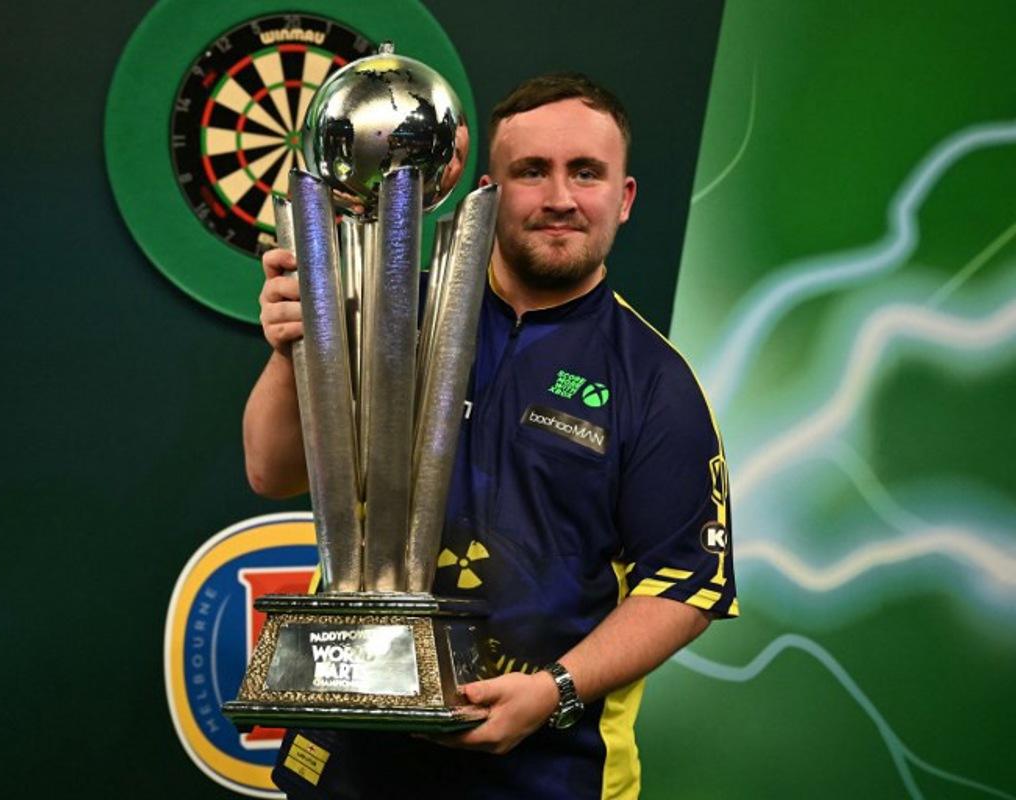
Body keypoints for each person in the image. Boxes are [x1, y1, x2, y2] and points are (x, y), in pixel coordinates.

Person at [243, 73, 738, 800]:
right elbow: (271, 469)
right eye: (532, 171)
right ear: (487, 191)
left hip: (546, 777)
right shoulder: (387, 312)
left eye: (586, 173)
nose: (560, 198)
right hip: (352, 765)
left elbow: (689, 584)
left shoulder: (655, 382)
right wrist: (296, 346)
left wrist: (556, 690)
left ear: (623, 198)